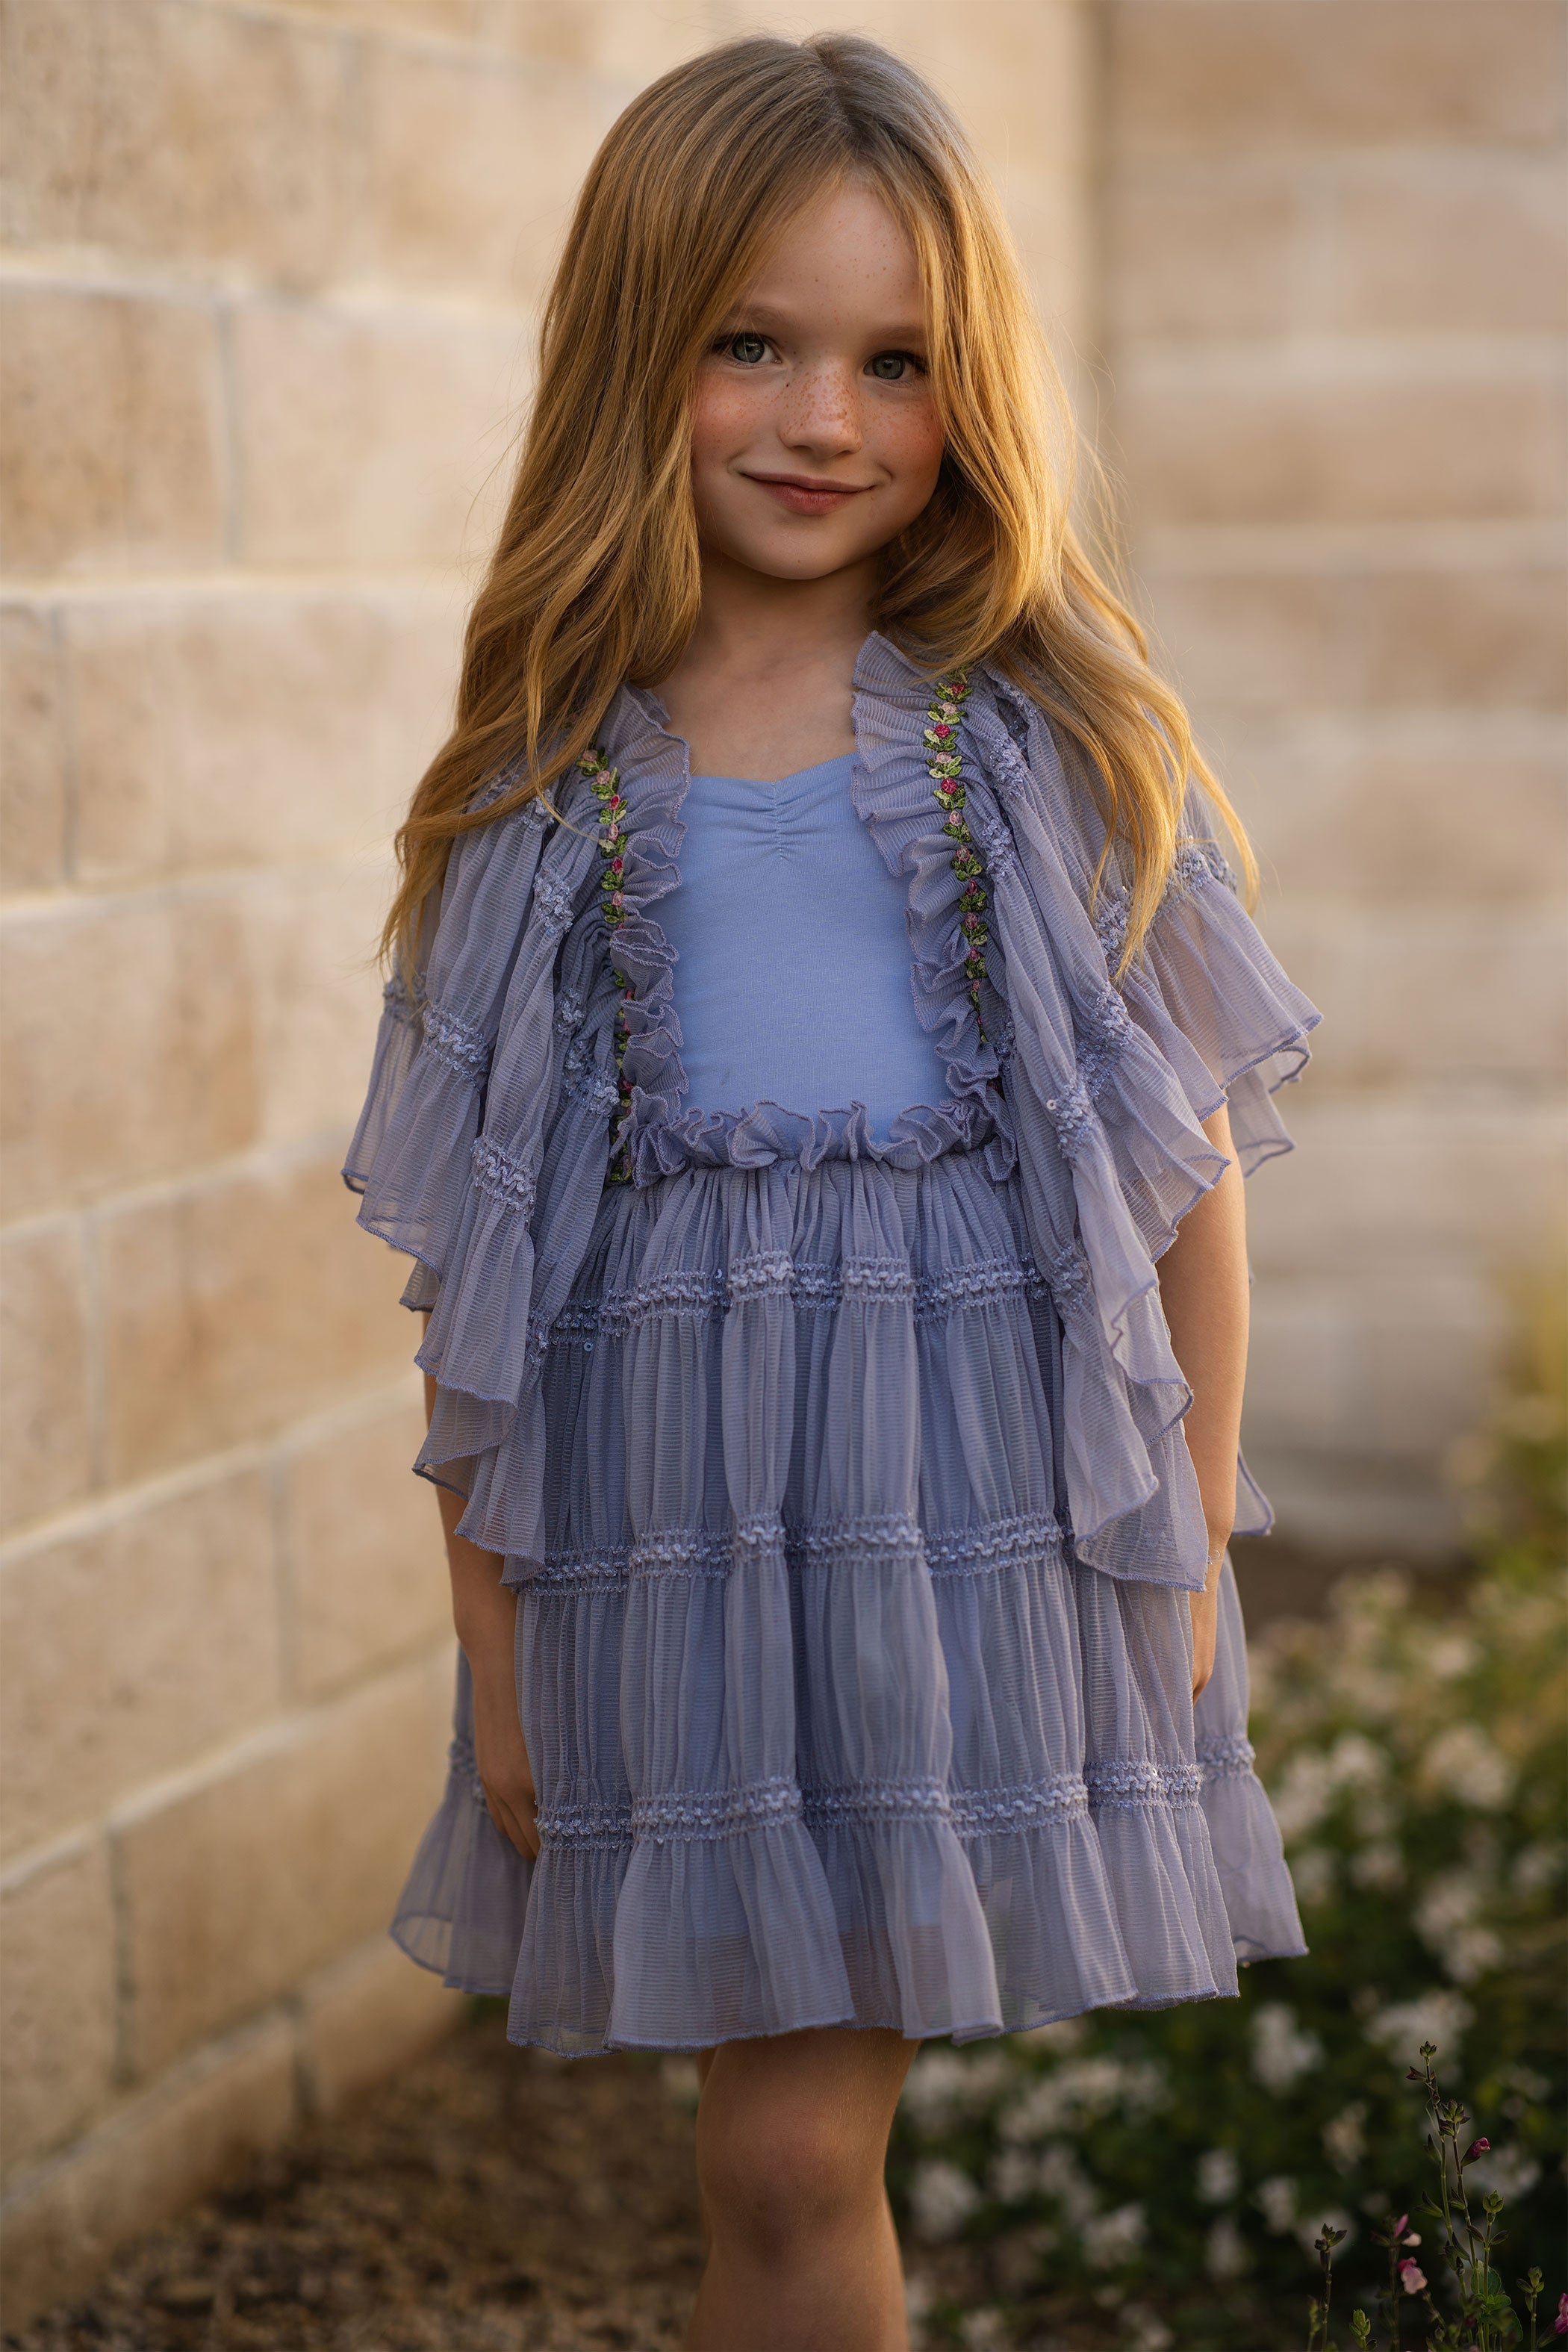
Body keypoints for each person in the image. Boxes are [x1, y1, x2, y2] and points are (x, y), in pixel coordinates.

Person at [343, 33, 1321, 2351]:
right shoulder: (536, 795)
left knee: (789, 2146)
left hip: (952, 1508)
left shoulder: (1033, 747)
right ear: (634, 355)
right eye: (752, 346)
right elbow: (486, 1281)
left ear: (966, 386)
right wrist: (495, 1654)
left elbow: (1178, 1187)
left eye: (894, 363)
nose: (824, 421)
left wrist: (1175, 1529)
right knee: (750, 2161)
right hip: (667, 1543)